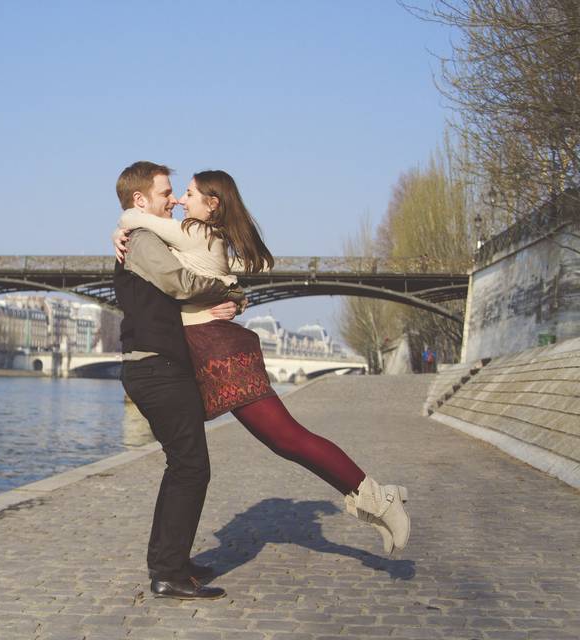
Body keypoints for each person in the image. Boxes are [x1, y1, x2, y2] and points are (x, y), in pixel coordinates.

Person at [114, 169, 411, 555]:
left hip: (218, 353)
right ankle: (373, 500)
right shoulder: (191, 236)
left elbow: (138, 224)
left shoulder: (195, 233)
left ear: (212, 203)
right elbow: (165, 257)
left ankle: (379, 498)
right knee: (282, 441)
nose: (179, 201)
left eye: (186, 194)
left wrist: (121, 225)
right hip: (202, 352)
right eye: (174, 194)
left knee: (287, 437)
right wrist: (234, 295)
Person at [113, 161, 245, 600]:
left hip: (162, 366)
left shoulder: (148, 237)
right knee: (191, 468)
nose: (172, 199)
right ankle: (167, 571)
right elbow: (181, 283)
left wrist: (232, 297)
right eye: (165, 192)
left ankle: (170, 561)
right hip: (157, 368)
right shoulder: (145, 240)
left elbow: (195, 270)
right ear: (140, 200)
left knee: (182, 466)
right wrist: (227, 289)